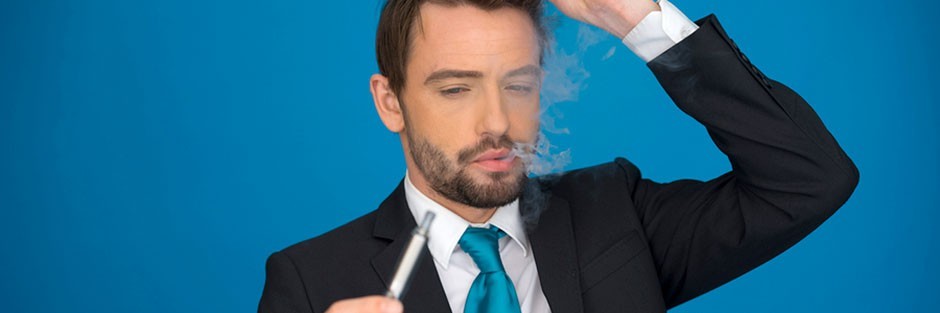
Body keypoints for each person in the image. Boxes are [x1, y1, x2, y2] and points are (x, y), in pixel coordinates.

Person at [258, 0, 859, 312]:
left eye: (518, 84)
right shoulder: (312, 285)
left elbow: (809, 179)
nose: (497, 122)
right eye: (455, 89)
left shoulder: (616, 219)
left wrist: (635, 18)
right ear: (391, 102)